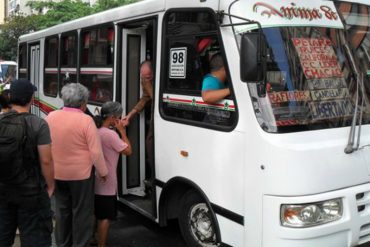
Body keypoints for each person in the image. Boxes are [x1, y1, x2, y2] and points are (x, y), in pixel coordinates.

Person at [46, 83, 108, 247]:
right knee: (82, 214)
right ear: (83, 103)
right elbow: (96, 152)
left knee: (62, 212)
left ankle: (63, 244)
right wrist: (103, 172)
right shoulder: (87, 120)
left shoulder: (51, 116)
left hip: (57, 173)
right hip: (81, 176)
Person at [0, 79, 55, 247]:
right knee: (35, 240)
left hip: (3, 191)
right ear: (31, 98)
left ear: (9, 97)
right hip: (32, 194)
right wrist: (50, 186)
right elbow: (46, 160)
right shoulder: (39, 124)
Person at [93, 101, 132, 247]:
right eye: (119, 116)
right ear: (113, 117)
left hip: (94, 179)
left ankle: (92, 239)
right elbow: (128, 151)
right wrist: (122, 132)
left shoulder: (95, 130)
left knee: (95, 213)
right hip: (107, 183)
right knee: (105, 218)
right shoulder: (111, 135)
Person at [123, 61, 154, 184]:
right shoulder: (144, 80)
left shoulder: (161, 78)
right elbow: (145, 98)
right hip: (153, 112)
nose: (145, 79)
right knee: (149, 143)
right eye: (143, 76)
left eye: (148, 76)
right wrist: (129, 116)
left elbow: (154, 97)